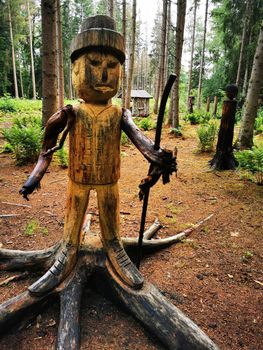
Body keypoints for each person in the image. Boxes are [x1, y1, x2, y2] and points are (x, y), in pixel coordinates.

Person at [20, 15, 176, 296]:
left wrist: (156, 156)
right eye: (93, 64)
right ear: (75, 69)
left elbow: (141, 140)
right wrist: (36, 174)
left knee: (111, 228)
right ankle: (66, 253)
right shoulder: (72, 112)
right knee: (72, 225)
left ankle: (116, 250)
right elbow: (47, 144)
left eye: (112, 66)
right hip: (77, 181)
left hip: (109, 181)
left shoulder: (119, 113)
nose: (103, 75)